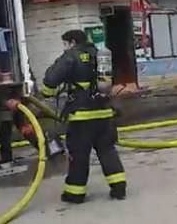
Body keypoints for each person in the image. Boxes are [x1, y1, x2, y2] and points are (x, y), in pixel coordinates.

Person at [42, 29, 125, 204]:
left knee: (79, 155)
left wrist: (46, 93)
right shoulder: (100, 55)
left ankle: (75, 193)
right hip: (105, 114)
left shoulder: (71, 56)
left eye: (65, 44)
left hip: (82, 117)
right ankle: (119, 187)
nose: (64, 48)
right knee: (107, 150)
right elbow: (112, 80)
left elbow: (50, 80)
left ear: (72, 42)